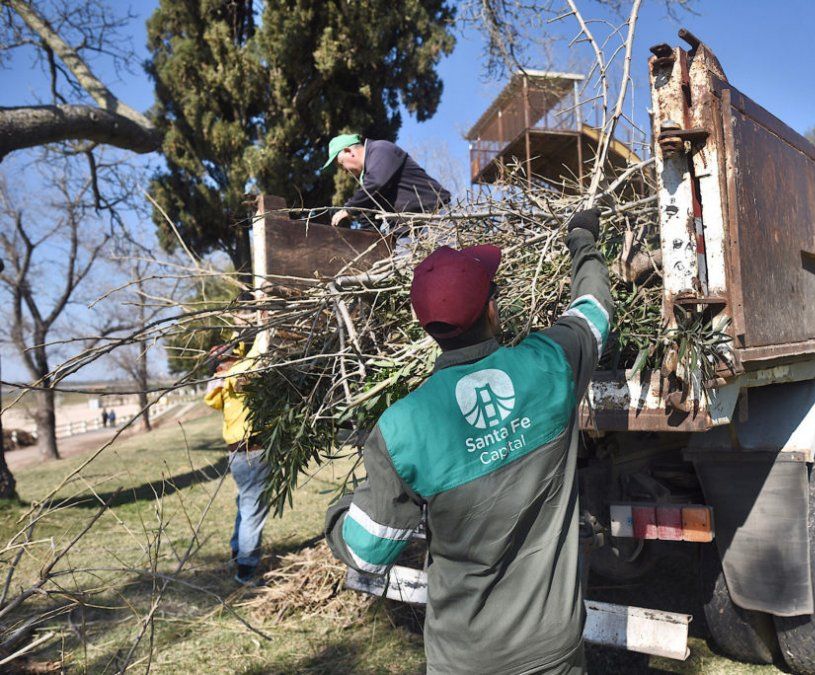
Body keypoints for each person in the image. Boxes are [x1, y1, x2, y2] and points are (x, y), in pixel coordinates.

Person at [324, 209, 611, 674]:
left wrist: (338, 513)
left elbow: (365, 552)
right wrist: (582, 241)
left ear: (426, 327)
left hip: (467, 659)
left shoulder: (404, 427)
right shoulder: (550, 365)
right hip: (552, 650)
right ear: (492, 309)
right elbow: (593, 310)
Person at [204, 339, 270, 586]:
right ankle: (246, 570)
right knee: (254, 507)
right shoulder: (238, 376)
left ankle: (237, 551)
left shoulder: (220, 385)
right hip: (254, 450)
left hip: (237, 453)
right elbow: (257, 354)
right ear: (227, 361)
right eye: (235, 355)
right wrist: (263, 327)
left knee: (246, 502)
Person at [321, 133, 451, 229]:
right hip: (407, 230)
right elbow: (369, 213)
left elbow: (376, 182)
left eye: (341, 165)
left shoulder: (380, 149)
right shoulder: (367, 177)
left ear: (349, 151)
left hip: (434, 218)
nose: (343, 171)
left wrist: (349, 209)